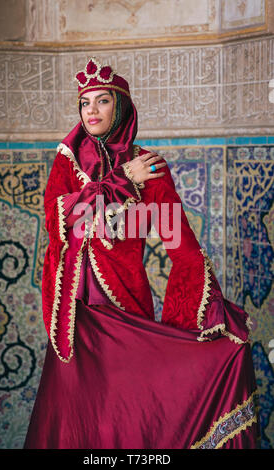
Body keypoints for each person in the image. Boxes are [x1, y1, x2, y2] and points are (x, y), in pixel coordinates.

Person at [24, 57, 259, 449]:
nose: (92, 111)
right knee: (78, 420)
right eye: (85, 103)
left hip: (123, 313)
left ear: (121, 108)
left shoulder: (148, 168)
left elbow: (182, 247)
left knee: (126, 415)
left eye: (102, 101)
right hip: (73, 315)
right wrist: (120, 180)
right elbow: (60, 221)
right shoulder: (66, 161)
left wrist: (206, 317)